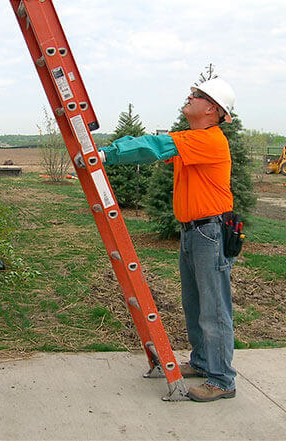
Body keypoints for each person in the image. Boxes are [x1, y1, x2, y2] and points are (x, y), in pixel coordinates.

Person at [97, 77, 237, 402]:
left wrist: (104, 154)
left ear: (212, 109)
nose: (190, 97)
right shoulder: (194, 140)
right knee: (195, 303)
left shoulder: (209, 140)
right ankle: (203, 363)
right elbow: (159, 149)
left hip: (210, 232)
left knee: (214, 308)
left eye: (197, 95)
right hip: (194, 231)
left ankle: (222, 380)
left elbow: (155, 147)